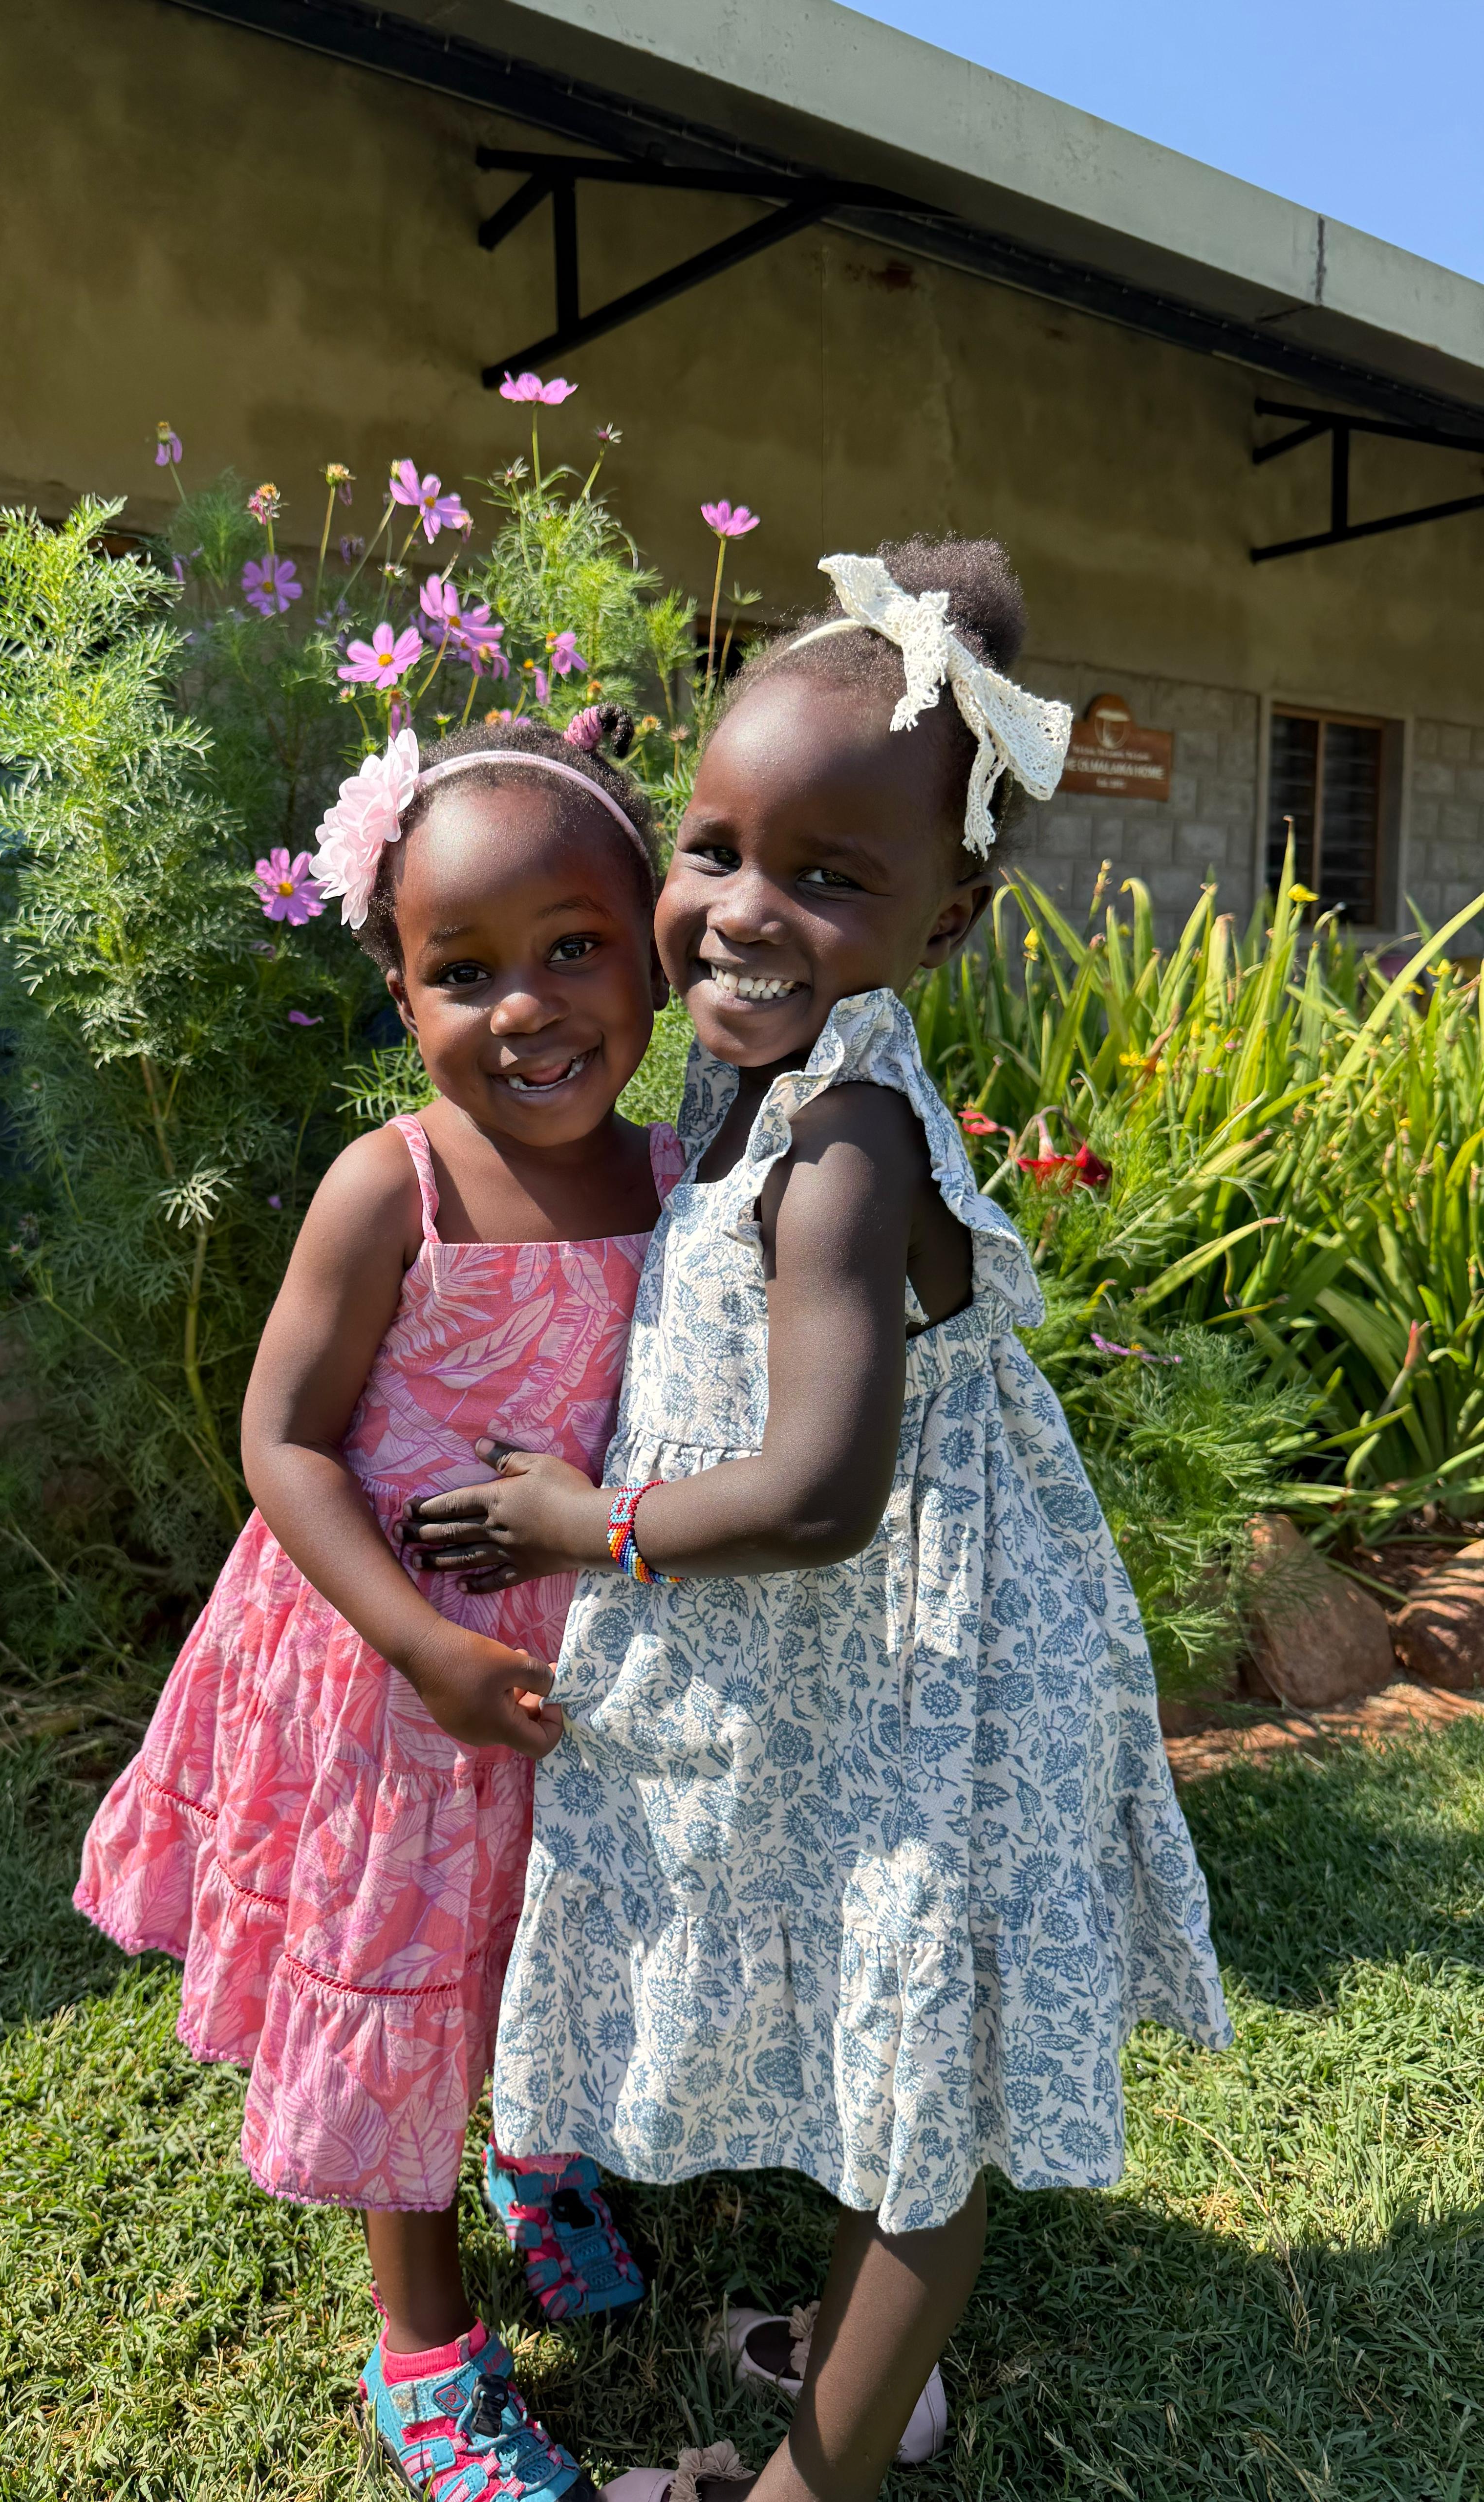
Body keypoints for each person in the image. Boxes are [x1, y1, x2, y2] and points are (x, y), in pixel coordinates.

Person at [403, 542, 1233, 2502]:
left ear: (944, 914)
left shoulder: (847, 1140)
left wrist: (578, 1519)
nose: (742, 912)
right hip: (876, 1653)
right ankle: (873, 2367)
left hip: (932, 1652)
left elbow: (821, 1489)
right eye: (713, 848)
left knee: (921, 2070)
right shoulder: (776, 1078)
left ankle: (821, 2471)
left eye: (830, 877)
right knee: (885, 2036)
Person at [76, 707, 684, 2502]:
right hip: (394, 1671)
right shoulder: (389, 1187)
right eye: (463, 969)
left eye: (577, 947)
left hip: (581, 1666)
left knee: (554, 1942)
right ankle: (426, 2347)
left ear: (649, 939)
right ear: (400, 996)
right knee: (414, 1985)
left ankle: (541, 2156)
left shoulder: (680, 1181)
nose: (531, 1006)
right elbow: (279, 1440)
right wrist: (417, 1643)